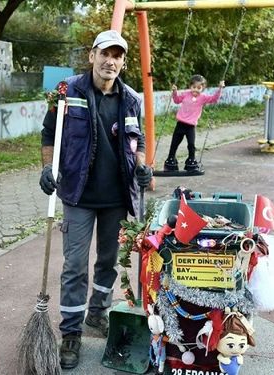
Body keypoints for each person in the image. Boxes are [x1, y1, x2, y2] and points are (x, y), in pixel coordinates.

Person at [38, 29, 152, 369]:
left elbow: (139, 141)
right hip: (78, 194)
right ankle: (71, 331)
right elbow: (48, 132)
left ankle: (97, 313)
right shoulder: (66, 91)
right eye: (105, 54)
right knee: (74, 265)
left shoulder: (130, 98)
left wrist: (143, 166)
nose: (110, 61)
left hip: (117, 196)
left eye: (117, 56)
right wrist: (47, 168)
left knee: (107, 262)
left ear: (122, 62)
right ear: (92, 56)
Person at [163, 75, 225, 172]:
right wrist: (174, 92)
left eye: (199, 88)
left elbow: (214, 99)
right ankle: (170, 162)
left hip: (190, 126)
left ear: (203, 88)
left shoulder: (203, 97)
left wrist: (220, 88)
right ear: (190, 86)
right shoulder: (185, 94)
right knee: (174, 144)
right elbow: (176, 100)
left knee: (191, 145)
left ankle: (191, 162)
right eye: (193, 87)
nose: (195, 90)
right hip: (180, 124)